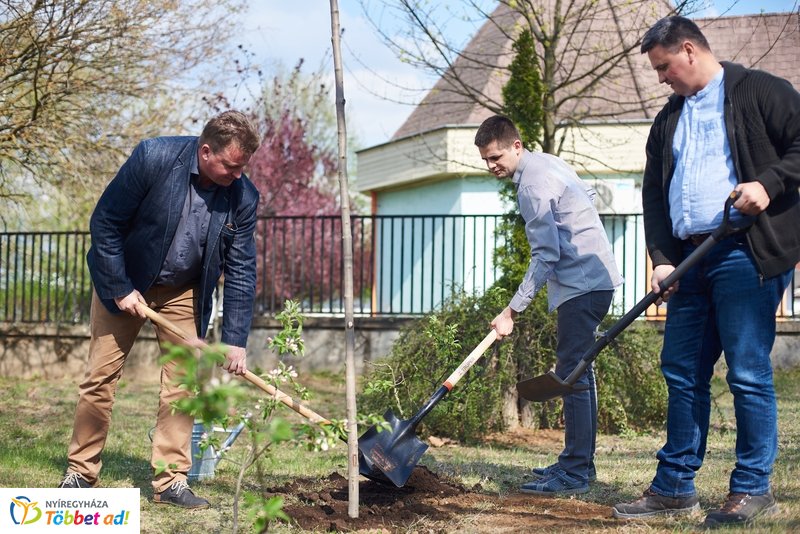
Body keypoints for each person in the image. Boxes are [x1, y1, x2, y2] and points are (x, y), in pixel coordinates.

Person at [612, 16, 800, 528]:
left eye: (664, 67)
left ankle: (752, 488)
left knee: (745, 372)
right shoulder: (668, 119)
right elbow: (654, 194)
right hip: (689, 262)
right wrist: (661, 257)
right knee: (681, 371)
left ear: (690, 51)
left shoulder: (762, 91)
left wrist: (770, 181)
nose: (660, 78)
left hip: (746, 253)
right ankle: (674, 487)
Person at [58, 110, 262, 509]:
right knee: (100, 378)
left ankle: (171, 481)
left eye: (243, 168)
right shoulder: (153, 157)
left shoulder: (243, 197)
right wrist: (119, 288)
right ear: (206, 151)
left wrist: (236, 341)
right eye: (231, 166)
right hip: (125, 278)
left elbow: (241, 269)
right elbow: (105, 223)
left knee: (183, 385)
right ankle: (81, 471)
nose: (238, 175)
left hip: (181, 291)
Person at [474, 115, 623, 496]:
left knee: (572, 377)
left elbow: (545, 254)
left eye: (496, 157)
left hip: (582, 285)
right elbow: (585, 198)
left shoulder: (532, 186)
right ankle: (578, 464)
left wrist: (511, 311)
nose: (492, 166)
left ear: (516, 146)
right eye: (486, 160)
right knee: (578, 374)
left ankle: (574, 473)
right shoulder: (549, 163)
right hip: (595, 280)